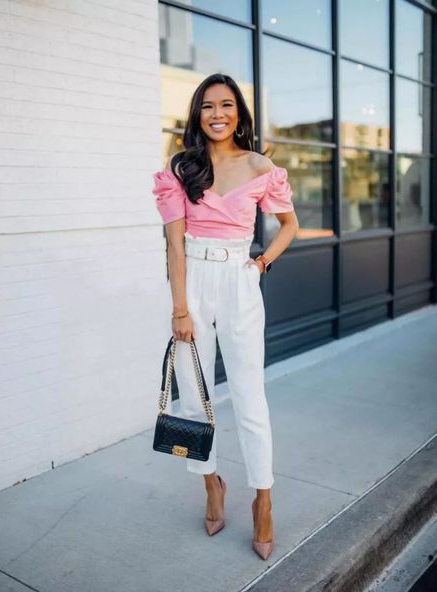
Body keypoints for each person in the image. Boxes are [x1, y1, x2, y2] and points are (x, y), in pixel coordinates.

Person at [151, 72, 299, 560]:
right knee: (195, 398)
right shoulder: (181, 170)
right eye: (208, 105)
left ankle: (263, 500)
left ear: (239, 113)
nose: (218, 114)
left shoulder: (261, 167)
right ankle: (212, 484)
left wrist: (260, 263)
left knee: (249, 395)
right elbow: (174, 243)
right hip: (192, 282)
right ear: (197, 113)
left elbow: (289, 224)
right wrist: (180, 308)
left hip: (239, 280)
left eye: (227, 105)